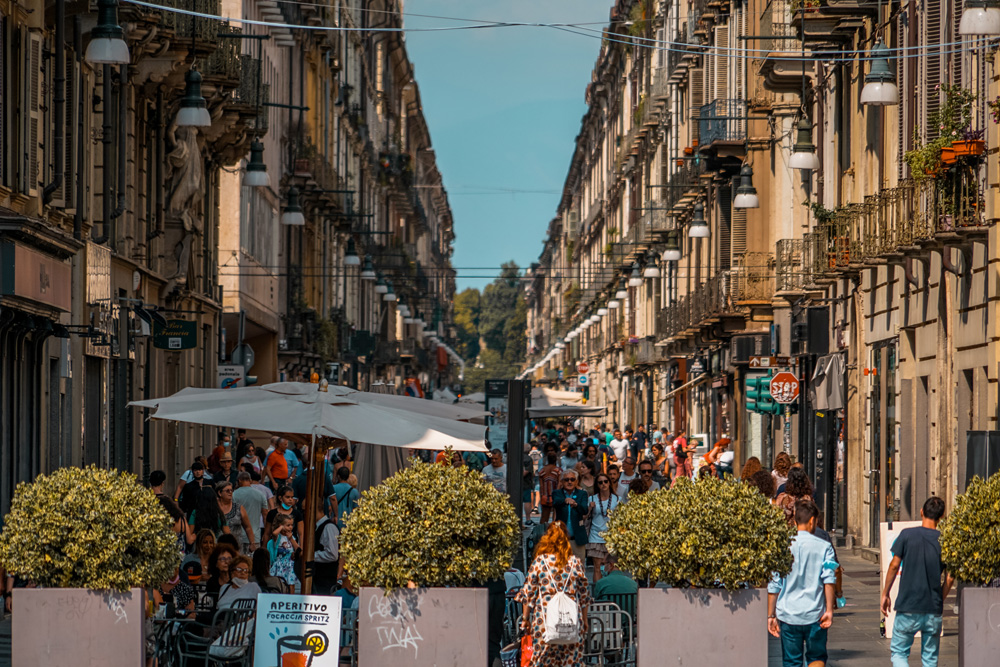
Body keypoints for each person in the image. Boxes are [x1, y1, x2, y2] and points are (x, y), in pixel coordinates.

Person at [880, 496, 955, 667]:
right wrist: (939, 598)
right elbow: (950, 577)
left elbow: (893, 565)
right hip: (932, 609)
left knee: (899, 653)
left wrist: (885, 593)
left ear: (922, 512)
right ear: (941, 517)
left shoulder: (907, 535)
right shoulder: (944, 540)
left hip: (908, 606)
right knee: (930, 660)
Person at [767, 500, 836, 667]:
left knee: (791, 661)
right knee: (816, 657)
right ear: (812, 521)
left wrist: (771, 615)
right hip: (815, 613)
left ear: (796, 521)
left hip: (788, 614)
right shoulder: (824, 547)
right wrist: (829, 609)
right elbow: (829, 579)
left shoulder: (783, 546)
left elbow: (774, 583)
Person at [516, 522, 591, 667]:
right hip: (571, 620)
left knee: (543, 661)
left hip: (543, 621)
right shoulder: (575, 563)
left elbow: (528, 594)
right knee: (571, 660)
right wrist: (585, 619)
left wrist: (525, 619)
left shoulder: (539, 562)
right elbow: (584, 595)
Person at [587, 473, 620, 583]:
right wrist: (589, 509)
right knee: (597, 568)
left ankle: (610, 591)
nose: (603, 484)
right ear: (597, 485)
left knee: (612, 567)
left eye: (605, 481)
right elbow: (584, 517)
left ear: (609, 483)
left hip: (612, 537)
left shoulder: (617, 499)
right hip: (595, 535)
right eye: (600, 482)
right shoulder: (592, 498)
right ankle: (598, 593)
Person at [552, 470, 590, 563]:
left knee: (579, 569)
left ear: (576, 481)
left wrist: (576, 505)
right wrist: (565, 500)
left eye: (572, 479)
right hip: (561, 539)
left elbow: (585, 510)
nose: (570, 482)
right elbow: (555, 503)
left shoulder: (582, 494)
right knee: (560, 567)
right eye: (566, 479)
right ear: (562, 482)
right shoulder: (557, 493)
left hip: (577, 539)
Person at [216, 480, 256, 554]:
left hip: (236, 548)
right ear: (219, 493)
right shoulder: (214, 508)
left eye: (231, 490)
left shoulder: (238, 508)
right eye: (227, 491)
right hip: (217, 547)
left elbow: (248, 527)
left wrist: (252, 543)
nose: (230, 492)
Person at [232, 473, 267, 554]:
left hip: (237, 536)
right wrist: (265, 534)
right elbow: (265, 515)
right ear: (250, 480)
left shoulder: (234, 495)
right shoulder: (260, 495)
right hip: (255, 537)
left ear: (239, 480)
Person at [312, 500, 341, 594]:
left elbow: (332, 554)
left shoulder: (329, 527)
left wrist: (311, 556)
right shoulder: (317, 527)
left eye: (304, 511)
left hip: (325, 580)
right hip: (319, 578)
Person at [267, 513, 300, 593]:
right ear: (280, 525)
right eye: (288, 525)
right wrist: (281, 527)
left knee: (291, 584)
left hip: (290, 565)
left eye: (292, 525)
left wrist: (291, 539)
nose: (290, 527)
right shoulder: (278, 538)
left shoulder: (291, 537)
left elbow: (298, 549)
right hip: (280, 564)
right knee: (280, 584)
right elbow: (274, 533)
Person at [538, 450, 563, 525]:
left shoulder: (542, 471)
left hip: (545, 496)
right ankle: (555, 532)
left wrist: (542, 495)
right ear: (556, 459)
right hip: (555, 496)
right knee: (556, 517)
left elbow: (541, 486)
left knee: (544, 517)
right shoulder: (558, 470)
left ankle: (543, 533)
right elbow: (560, 483)